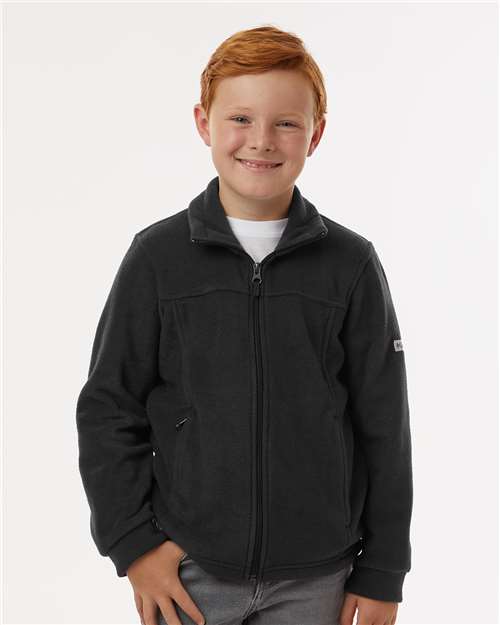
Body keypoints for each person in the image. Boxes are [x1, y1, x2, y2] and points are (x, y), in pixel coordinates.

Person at [76, 24, 413, 625]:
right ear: (204, 123)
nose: (261, 140)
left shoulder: (351, 265)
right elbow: (108, 408)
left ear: (316, 134)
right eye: (240, 119)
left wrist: (384, 570)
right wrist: (133, 545)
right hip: (189, 573)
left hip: (318, 577)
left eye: (286, 122)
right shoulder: (157, 258)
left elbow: (385, 426)